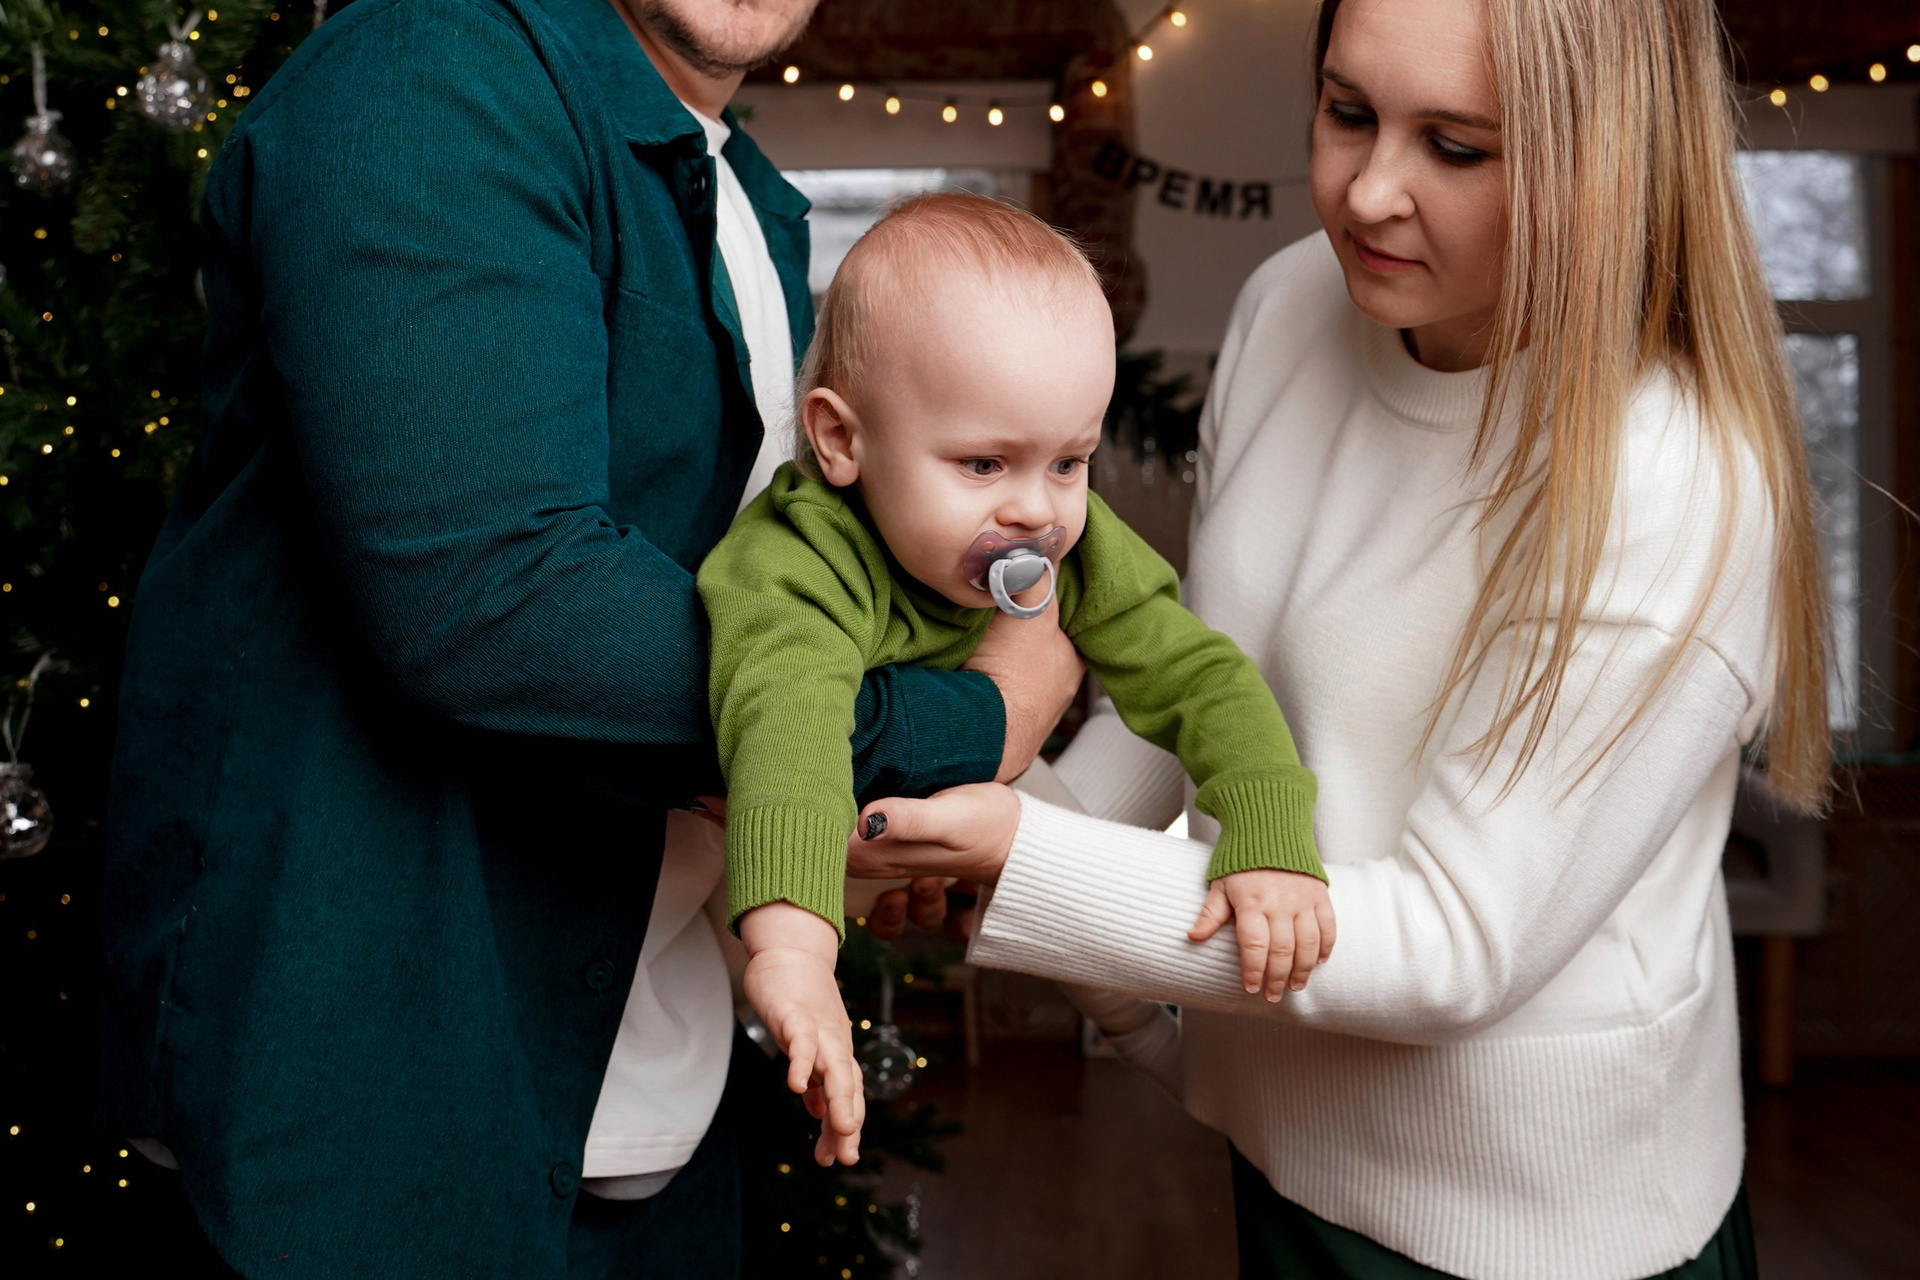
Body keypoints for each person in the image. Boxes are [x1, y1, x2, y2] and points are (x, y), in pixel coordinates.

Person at [97, 0, 1081, 1275]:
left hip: (647, 1078)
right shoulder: (431, 71)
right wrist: (973, 721)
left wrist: (844, 828)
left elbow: (776, 606)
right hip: (380, 1092)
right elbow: (499, 600)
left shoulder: (743, 194)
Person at [849, 0, 1827, 1276]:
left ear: (1607, 158)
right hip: (1279, 1150)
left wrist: (1024, 855)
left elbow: (1456, 943)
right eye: (1347, 111)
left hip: (1534, 1231)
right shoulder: (1291, 302)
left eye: (1456, 147)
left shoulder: (1670, 473)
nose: (1367, 193)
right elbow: (1205, 684)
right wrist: (989, 798)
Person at [699, 193, 1332, 1163]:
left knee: (1058, 828)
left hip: (929, 815)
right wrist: (793, 949)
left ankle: (1140, 1032)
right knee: (763, 940)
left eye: (1070, 461)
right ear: (841, 440)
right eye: (984, 463)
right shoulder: (800, 558)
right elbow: (788, 727)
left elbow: (1198, 673)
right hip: (760, 853)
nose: (1037, 511)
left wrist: (1269, 831)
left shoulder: (1067, 544)